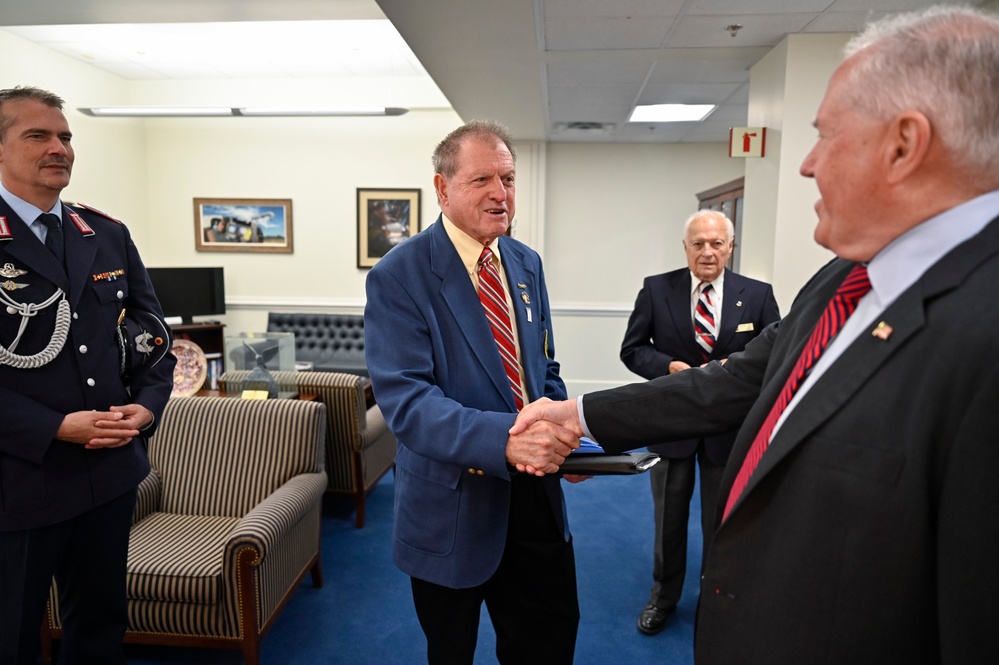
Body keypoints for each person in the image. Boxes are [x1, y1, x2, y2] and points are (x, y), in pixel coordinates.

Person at [511, 6, 999, 663]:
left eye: (824, 135)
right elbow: (739, 379)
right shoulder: (841, 279)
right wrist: (579, 414)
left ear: (903, 144)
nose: (804, 164)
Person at [364, 120, 582, 665]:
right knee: (451, 652)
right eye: (481, 178)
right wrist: (504, 442)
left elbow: (542, 368)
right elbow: (408, 403)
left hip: (536, 499)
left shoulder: (525, 263)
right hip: (452, 505)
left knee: (548, 642)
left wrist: (562, 430)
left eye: (508, 178)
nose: (500, 193)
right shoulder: (399, 275)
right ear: (442, 188)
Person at [0, 86, 176, 664]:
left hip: (106, 476)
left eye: (66, 137)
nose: (60, 148)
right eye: (38, 136)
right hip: (21, 480)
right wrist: (53, 427)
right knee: (13, 636)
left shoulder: (103, 233)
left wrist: (148, 405)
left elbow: (153, 340)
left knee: (100, 628)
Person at [620, 209, 779, 635]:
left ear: (730, 247)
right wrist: (667, 366)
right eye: (698, 244)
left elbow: (775, 359)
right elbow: (633, 350)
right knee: (668, 522)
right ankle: (663, 597)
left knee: (722, 522)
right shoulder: (657, 290)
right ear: (686, 247)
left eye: (716, 243)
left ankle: (718, 599)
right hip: (671, 426)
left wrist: (737, 369)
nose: (707, 252)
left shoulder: (759, 294)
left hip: (728, 431)